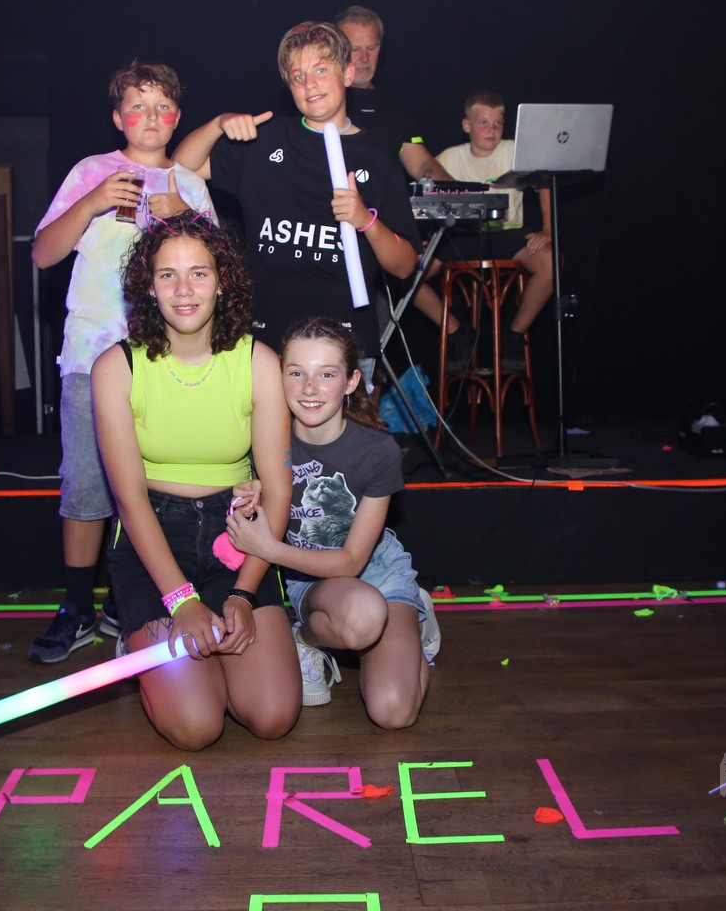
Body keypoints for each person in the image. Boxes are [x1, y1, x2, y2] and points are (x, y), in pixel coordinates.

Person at [26, 62, 215, 664]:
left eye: (162, 107)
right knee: (87, 483)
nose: (150, 117)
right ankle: (76, 605)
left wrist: (183, 215)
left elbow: (217, 271)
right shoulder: (91, 171)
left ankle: (123, 596)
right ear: (117, 117)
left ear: (177, 118)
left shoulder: (190, 182)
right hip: (92, 355)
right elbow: (42, 254)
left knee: (155, 484)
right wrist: (91, 203)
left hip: (166, 359)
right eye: (137, 106)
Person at [91, 211, 299, 750]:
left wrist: (244, 595)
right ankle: (141, 644)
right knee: (197, 727)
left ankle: (220, 655)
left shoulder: (259, 362)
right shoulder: (116, 368)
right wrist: (181, 601)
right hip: (154, 543)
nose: (184, 290)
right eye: (168, 274)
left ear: (222, 281)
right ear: (149, 286)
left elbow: (278, 491)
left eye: (199, 273)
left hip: (237, 540)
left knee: (272, 716)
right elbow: (129, 500)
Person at [223, 316, 437, 727]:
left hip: (374, 570)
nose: (310, 387)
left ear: (352, 381)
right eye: (296, 373)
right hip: (310, 580)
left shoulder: (379, 451)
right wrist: (244, 494)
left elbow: (352, 561)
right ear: (277, 377)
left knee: (393, 712)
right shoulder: (259, 440)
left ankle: (412, 620)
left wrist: (268, 548)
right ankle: (306, 639)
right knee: (361, 615)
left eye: (326, 374)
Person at [174, 20, 420, 369]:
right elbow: (181, 168)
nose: (310, 84)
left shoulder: (377, 157)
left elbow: (405, 265)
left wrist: (365, 221)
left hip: (344, 344)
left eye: (321, 70)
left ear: (348, 74)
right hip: (267, 340)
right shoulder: (265, 141)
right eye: (297, 76)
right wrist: (218, 124)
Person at [419, 91, 557, 372]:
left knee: (552, 263)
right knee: (405, 274)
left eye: (498, 123)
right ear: (467, 125)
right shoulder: (448, 157)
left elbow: (545, 181)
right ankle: (457, 332)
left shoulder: (515, 151)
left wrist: (547, 229)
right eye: (483, 122)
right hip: (460, 237)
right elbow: (427, 195)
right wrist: (423, 236)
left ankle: (515, 335)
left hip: (508, 233)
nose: (491, 130)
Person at [335, 5, 451, 183]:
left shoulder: (394, 109)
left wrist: (462, 192)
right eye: (355, 49)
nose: (364, 58)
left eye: (371, 47)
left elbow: (421, 163)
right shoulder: (324, 103)